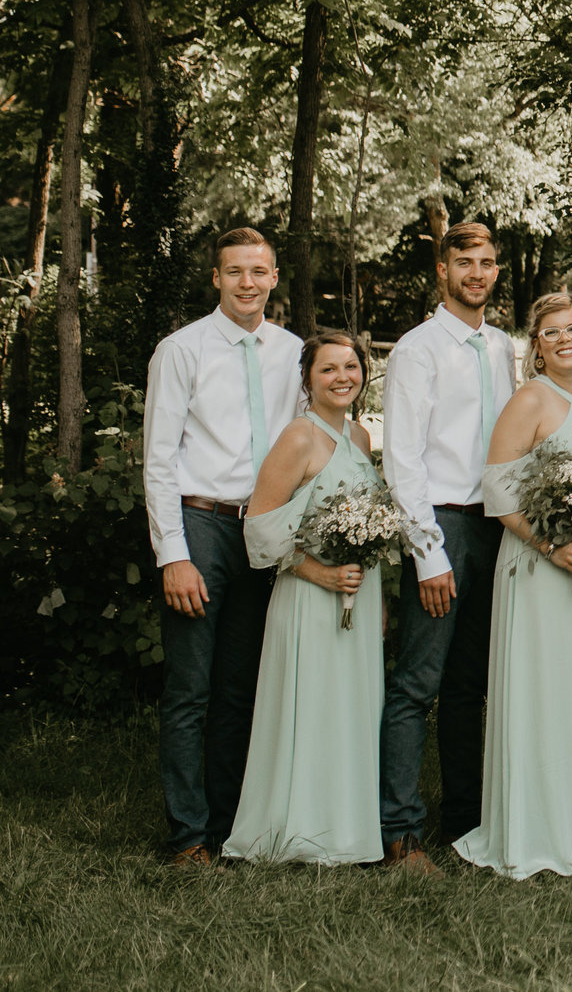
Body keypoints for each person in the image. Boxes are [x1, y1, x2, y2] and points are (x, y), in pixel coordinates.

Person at [143, 226, 301, 865]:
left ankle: (232, 826)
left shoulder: (292, 352)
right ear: (216, 278)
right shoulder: (182, 350)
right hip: (201, 524)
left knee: (242, 687)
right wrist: (173, 554)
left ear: (272, 278)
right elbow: (158, 461)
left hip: (263, 528)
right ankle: (187, 836)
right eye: (234, 271)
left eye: (257, 271)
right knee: (191, 688)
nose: (246, 282)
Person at [455, 292, 572, 878]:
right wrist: (551, 547)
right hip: (539, 567)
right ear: (537, 345)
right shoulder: (528, 399)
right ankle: (539, 828)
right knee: (547, 691)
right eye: (551, 332)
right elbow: (497, 492)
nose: (564, 339)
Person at [377, 221, 516, 870]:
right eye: (466, 262)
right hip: (445, 524)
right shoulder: (418, 348)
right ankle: (400, 830)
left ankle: (464, 822)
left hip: (498, 525)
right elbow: (402, 458)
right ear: (443, 270)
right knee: (416, 684)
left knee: (471, 686)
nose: (478, 272)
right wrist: (428, 550)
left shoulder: (504, 349)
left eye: (488, 262)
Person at [223, 330, 388, 865]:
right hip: (309, 597)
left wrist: (373, 593)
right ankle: (295, 828)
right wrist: (318, 573)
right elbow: (260, 530)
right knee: (311, 707)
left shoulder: (361, 438)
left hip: (357, 596)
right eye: (328, 369)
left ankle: (347, 829)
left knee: (352, 709)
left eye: (351, 366)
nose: (343, 377)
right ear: (307, 380)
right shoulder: (298, 437)